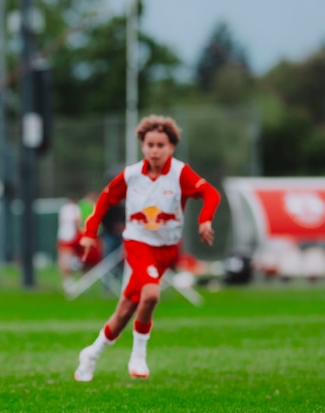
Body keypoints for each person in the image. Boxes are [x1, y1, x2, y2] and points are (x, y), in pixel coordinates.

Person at [74, 115, 220, 381]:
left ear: (171, 147)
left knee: (125, 311)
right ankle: (138, 355)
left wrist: (205, 219)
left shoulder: (180, 173)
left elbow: (211, 193)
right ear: (142, 146)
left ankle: (91, 354)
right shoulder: (132, 175)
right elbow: (105, 198)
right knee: (151, 294)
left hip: (166, 248)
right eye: (150, 144)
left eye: (160, 145)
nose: (155, 150)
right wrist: (89, 233)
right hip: (138, 243)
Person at [56, 196, 83, 283]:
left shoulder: (63, 209)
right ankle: (69, 279)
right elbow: (78, 222)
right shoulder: (75, 208)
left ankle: (66, 279)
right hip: (71, 237)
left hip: (62, 236)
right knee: (68, 258)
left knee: (63, 258)